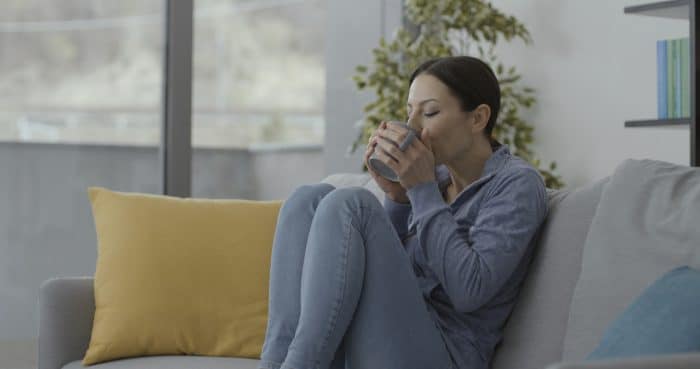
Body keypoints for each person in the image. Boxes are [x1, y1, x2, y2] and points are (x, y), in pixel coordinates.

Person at [258, 55, 548, 369]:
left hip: (446, 353)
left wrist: (420, 191)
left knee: (353, 205)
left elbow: (469, 290)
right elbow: (398, 277)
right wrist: (398, 199)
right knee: (307, 199)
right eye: (410, 112)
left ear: (478, 118)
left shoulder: (516, 184)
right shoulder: (435, 180)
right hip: (392, 335)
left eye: (430, 112)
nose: (412, 127)